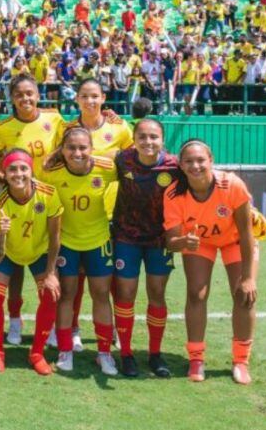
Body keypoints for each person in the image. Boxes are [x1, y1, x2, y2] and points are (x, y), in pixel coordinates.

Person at [163, 140, 258, 385]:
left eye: (200, 160)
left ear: (211, 160)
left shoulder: (232, 185)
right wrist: (183, 241)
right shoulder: (173, 193)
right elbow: (170, 242)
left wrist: (248, 278)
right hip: (200, 243)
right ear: (181, 165)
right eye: (189, 161)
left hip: (235, 241)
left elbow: (246, 233)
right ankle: (196, 359)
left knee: (244, 294)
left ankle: (241, 361)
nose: (195, 166)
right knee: (196, 293)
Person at [0, 73, 63, 347]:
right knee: (14, 264)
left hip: (48, 201)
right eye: (19, 94)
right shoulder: (3, 127)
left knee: (50, 261)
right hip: (15, 200)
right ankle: (14, 320)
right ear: (12, 98)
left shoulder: (54, 119)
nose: (25, 98)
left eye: (29, 93)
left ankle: (57, 325)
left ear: (38, 94)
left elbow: (71, 141)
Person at [42, 127, 119, 375]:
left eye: (83, 147)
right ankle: (65, 350)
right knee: (67, 295)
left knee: (101, 294)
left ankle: (104, 353)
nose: (77, 152)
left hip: (98, 241)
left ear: (92, 148)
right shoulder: (51, 174)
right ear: (62, 150)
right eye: (71, 148)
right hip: (67, 243)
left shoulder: (107, 168)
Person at [110, 118, 178, 378]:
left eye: (153, 137)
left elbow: (204, 179)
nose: (148, 141)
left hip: (160, 240)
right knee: (125, 293)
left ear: (162, 139)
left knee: (157, 293)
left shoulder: (174, 166)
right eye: (142, 136)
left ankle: (155, 354)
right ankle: (126, 354)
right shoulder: (122, 160)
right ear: (134, 139)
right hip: (126, 238)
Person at [0, 148, 63, 375]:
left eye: (23, 168)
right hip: (9, 254)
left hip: (39, 253)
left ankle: (37, 353)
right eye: (12, 169)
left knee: (50, 294)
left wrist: (51, 273)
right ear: (5, 173)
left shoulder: (48, 194)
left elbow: (55, 237)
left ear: (31, 170)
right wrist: (1, 234)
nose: (18, 174)